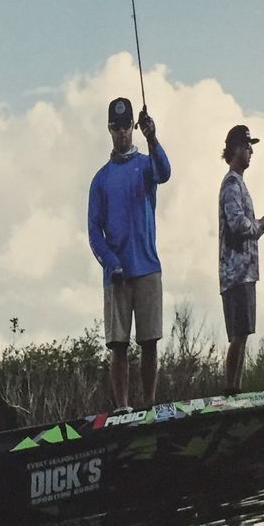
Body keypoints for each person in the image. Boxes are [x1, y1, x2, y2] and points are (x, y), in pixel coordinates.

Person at [88, 96, 171, 409]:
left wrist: (153, 137)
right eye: (116, 127)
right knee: (118, 345)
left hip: (148, 267)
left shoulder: (146, 165)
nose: (122, 132)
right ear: (109, 129)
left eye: (127, 126)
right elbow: (94, 231)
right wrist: (111, 262)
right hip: (117, 275)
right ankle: (122, 406)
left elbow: (165, 172)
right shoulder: (100, 179)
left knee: (150, 342)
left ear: (133, 127)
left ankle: (148, 403)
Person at [219, 124, 264, 392]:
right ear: (235, 149)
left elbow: (248, 229)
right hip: (236, 274)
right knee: (239, 335)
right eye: (247, 147)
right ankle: (231, 390)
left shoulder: (239, 185)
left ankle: (236, 389)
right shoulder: (232, 184)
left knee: (242, 335)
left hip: (243, 273)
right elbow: (239, 226)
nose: (251, 151)